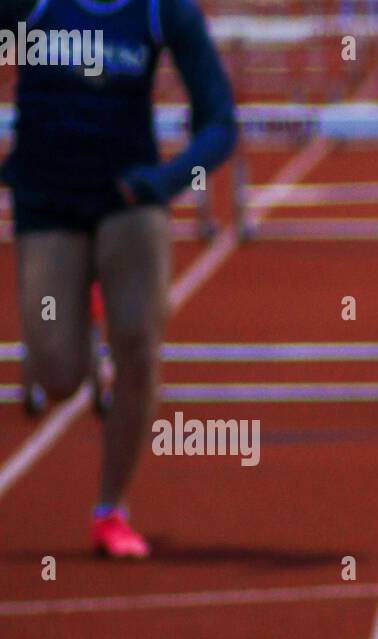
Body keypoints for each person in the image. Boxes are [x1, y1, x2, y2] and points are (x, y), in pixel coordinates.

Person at [2, 0, 238, 558]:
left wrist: (164, 180)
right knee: (58, 376)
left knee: (137, 342)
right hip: (46, 201)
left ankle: (110, 507)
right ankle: (83, 304)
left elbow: (220, 123)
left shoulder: (162, 9)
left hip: (128, 196)